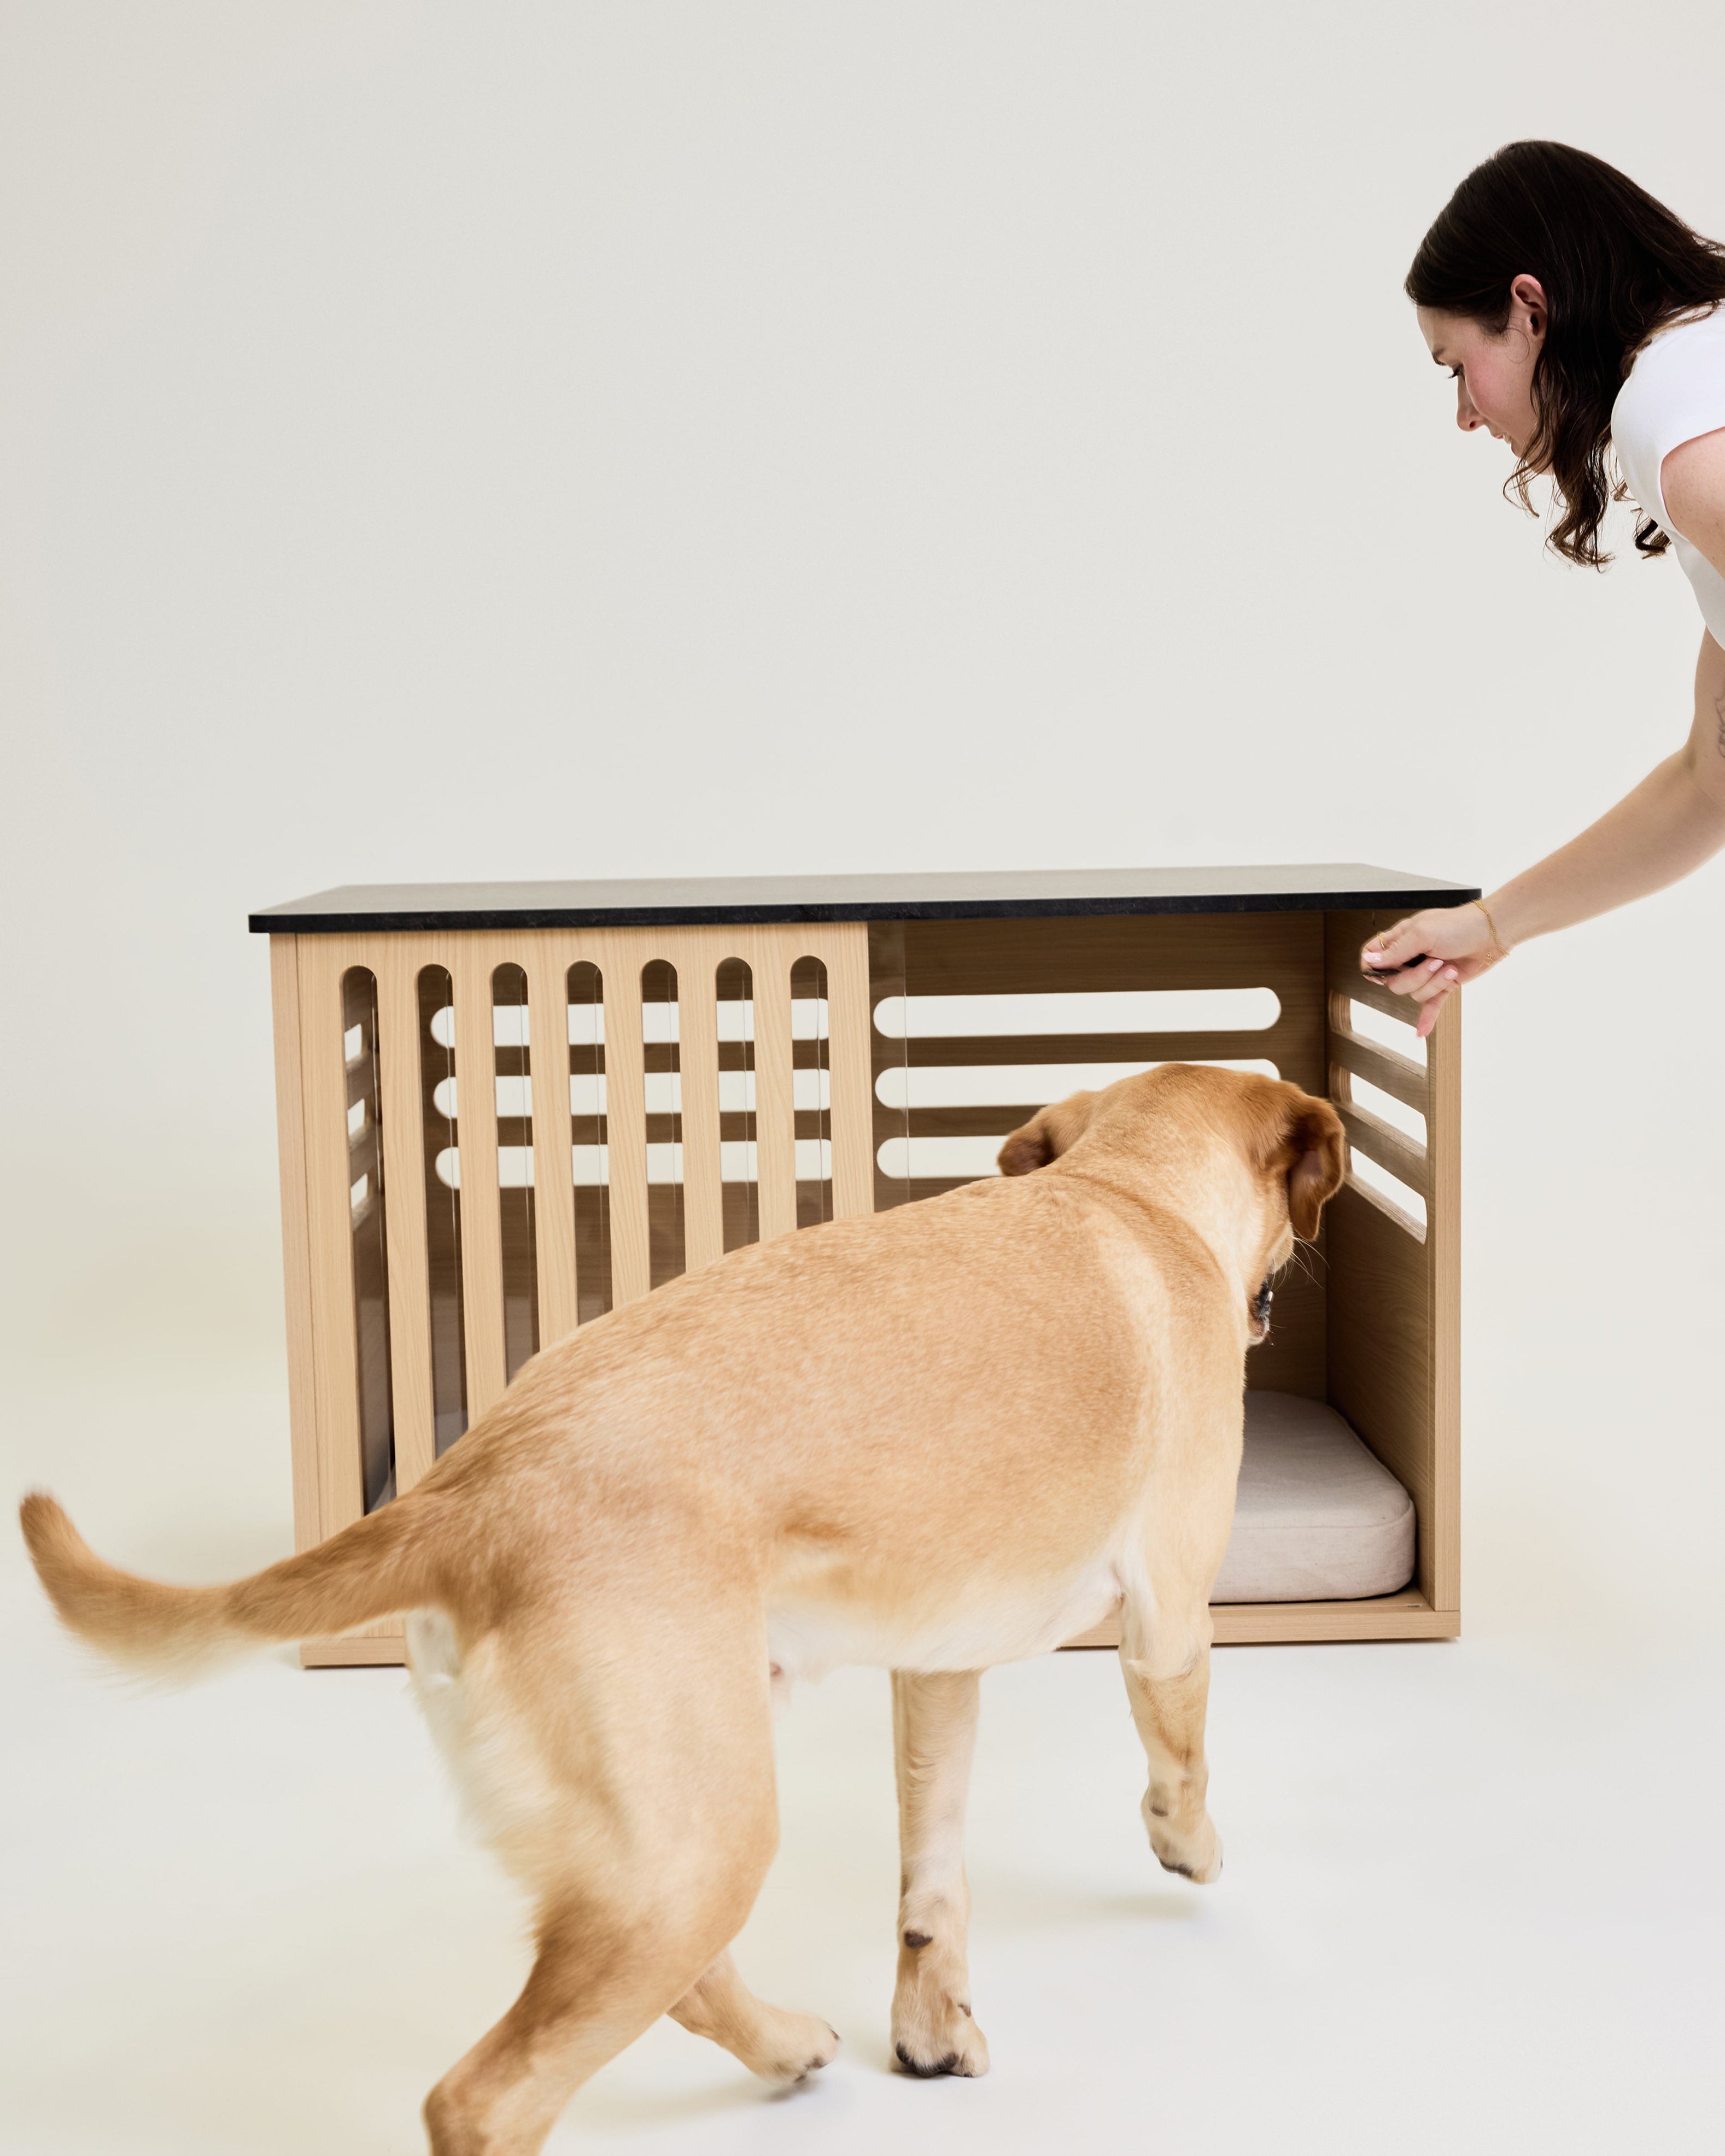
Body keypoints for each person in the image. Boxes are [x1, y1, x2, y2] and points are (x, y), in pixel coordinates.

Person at [1361, 141, 1725, 1033]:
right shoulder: (1696, 385)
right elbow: (1709, 782)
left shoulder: (1675, 416)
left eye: (1456, 366)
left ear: (1529, 308)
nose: (1464, 413)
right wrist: (1494, 925)